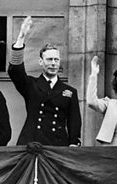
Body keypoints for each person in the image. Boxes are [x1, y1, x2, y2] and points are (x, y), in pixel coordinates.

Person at [7, 16, 81, 146]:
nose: (53, 64)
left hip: (58, 145)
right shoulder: (31, 85)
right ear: (41, 62)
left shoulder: (69, 91)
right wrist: (21, 37)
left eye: (56, 60)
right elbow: (15, 72)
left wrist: (74, 143)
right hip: (32, 143)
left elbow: (74, 122)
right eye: (49, 59)